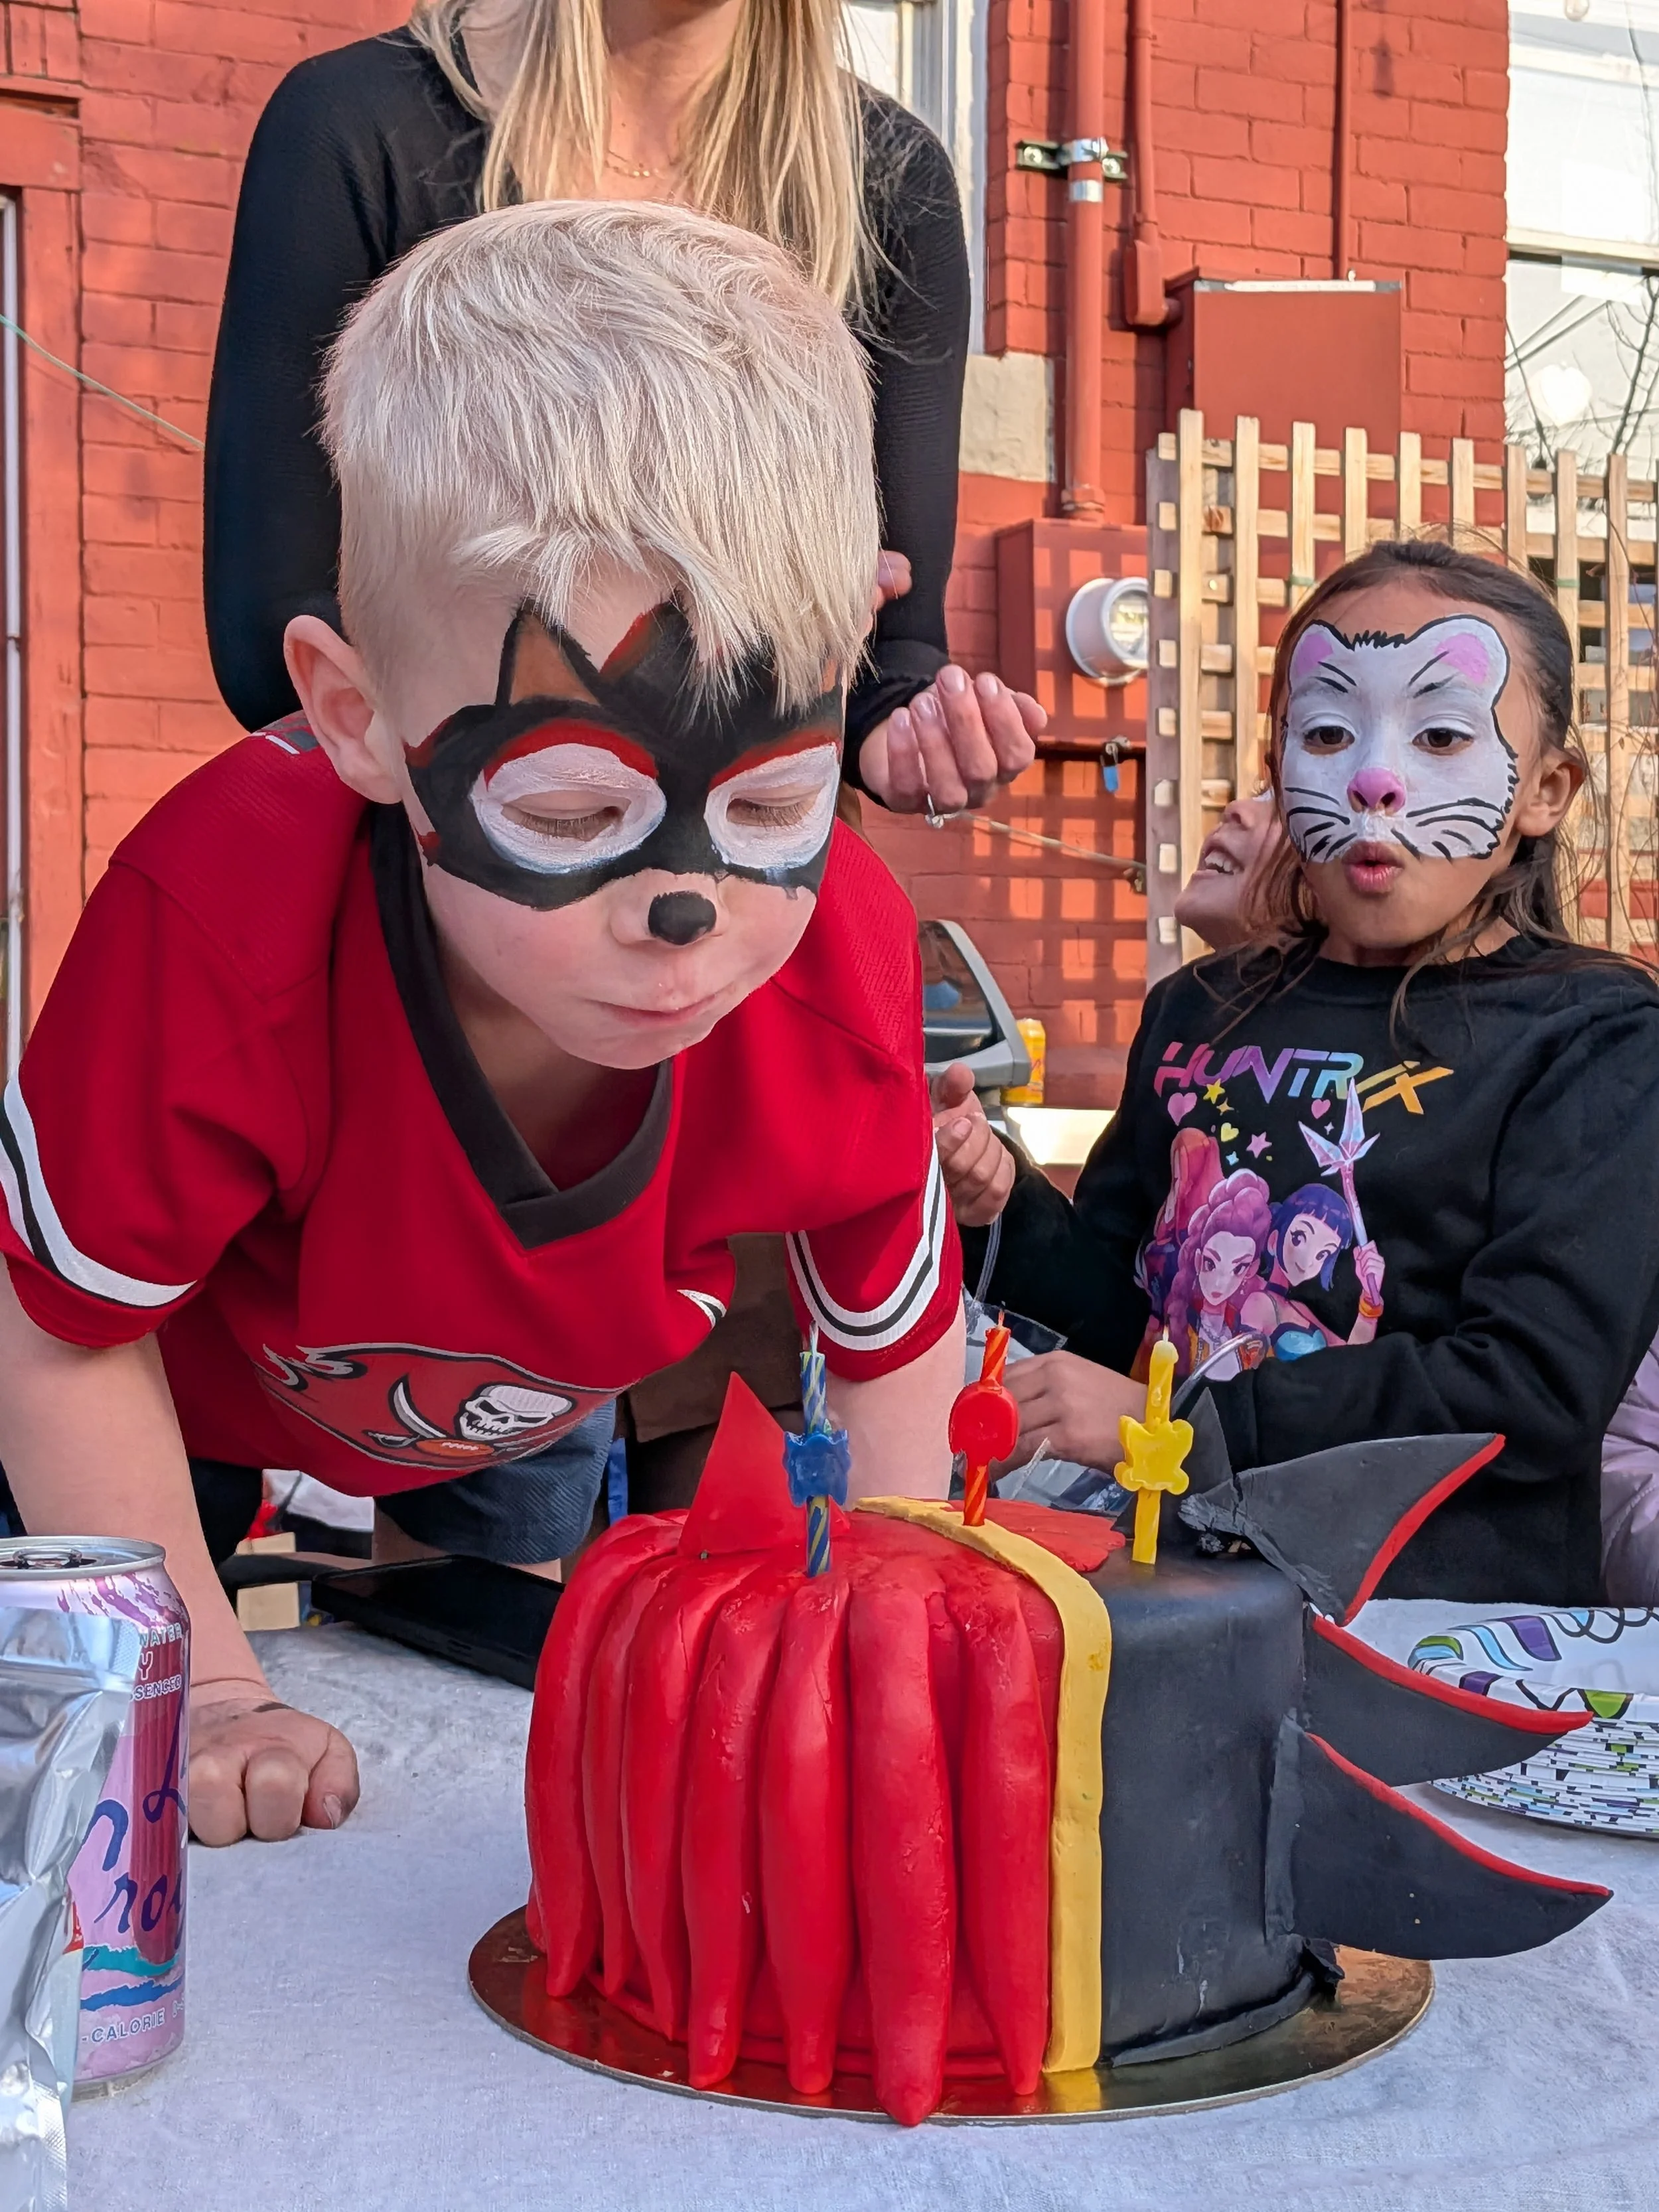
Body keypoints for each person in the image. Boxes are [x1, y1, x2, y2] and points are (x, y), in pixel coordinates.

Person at [0, 202, 965, 1846]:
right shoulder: (219, 920)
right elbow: (59, 1333)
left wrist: (903, 1631)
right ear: (357, 717)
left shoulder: (840, 965)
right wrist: (216, 1688)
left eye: (774, 800)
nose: (686, 911)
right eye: (575, 808)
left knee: (478, 1697)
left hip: (527, 1379)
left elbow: (893, 1362)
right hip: (175, 1406)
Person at [937, 537, 1659, 1602]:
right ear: (1280, 760)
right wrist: (997, 1197)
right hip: (1171, 1598)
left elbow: (1532, 1388)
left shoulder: (1592, 1033)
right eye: (1328, 732)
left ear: (1546, 789)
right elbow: (1124, 1307)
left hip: (1432, 1631)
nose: (1376, 781)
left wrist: (1176, 1425)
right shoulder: (1200, 1011)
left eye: (1443, 735)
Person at [204, 0, 1044, 817]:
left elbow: (891, 644)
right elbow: (273, 631)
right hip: (454, 858)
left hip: (739, 862)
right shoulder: (356, 124)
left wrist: (907, 730)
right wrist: (756, 609)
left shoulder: (889, 180)